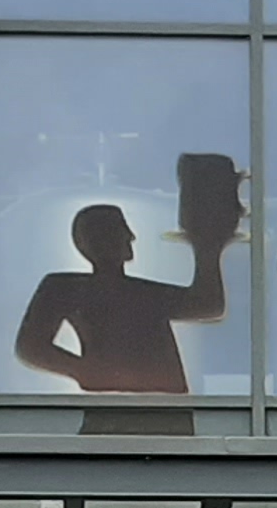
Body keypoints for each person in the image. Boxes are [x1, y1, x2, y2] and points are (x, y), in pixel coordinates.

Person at [12, 154, 239, 432]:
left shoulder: (142, 294)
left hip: (167, 414)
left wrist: (207, 244)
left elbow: (208, 305)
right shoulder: (67, 288)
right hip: (124, 413)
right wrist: (84, 370)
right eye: (122, 229)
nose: (131, 236)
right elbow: (31, 347)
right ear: (101, 238)